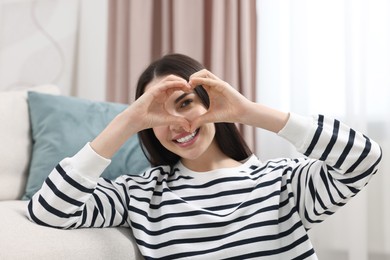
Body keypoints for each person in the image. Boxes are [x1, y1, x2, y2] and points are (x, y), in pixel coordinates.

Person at [27, 53, 382, 259]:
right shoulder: (138, 195)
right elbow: (49, 211)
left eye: (186, 104)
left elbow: (364, 158)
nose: (178, 123)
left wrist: (249, 111)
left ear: (212, 105)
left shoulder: (283, 181)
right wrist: (127, 121)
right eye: (159, 114)